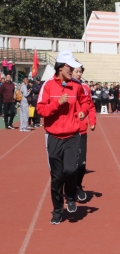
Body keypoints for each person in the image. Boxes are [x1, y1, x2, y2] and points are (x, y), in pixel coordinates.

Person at [36, 50, 89, 225]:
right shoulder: (48, 86)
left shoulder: (77, 86)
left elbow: (85, 102)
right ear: (62, 67)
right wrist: (57, 103)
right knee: (57, 177)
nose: (73, 70)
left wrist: (82, 112)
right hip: (53, 137)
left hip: (73, 135)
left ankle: (71, 197)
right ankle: (57, 210)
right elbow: (41, 110)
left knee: (71, 170)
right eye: (70, 67)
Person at [72, 65, 96, 201]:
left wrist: (92, 121)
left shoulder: (86, 88)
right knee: (68, 165)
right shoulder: (66, 87)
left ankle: (78, 185)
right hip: (67, 131)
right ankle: (69, 187)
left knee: (81, 164)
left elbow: (90, 106)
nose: (79, 74)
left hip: (81, 130)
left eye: (80, 72)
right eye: (76, 71)